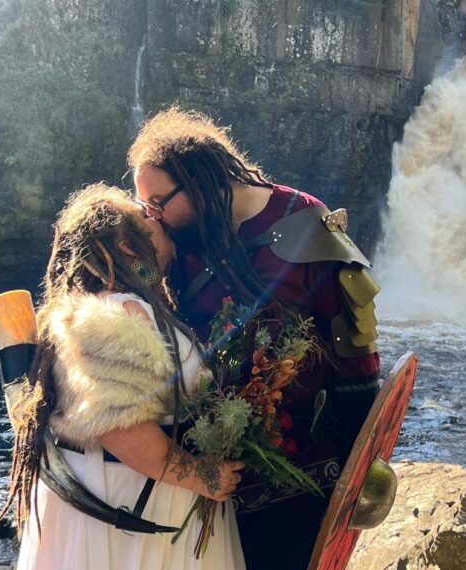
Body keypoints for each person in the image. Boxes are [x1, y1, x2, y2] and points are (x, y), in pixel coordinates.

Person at [127, 108, 381, 570]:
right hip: (208, 473)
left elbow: (355, 349)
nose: (154, 216)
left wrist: (361, 464)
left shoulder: (305, 222)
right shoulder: (181, 241)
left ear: (200, 181)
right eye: (147, 205)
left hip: (300, 470)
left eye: (159, 202)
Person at [0, 184, 246, 570]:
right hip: (132, 508)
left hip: (134, 499)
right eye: (146, 216)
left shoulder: (126, 307)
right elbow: (122, 430)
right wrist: (202, 476)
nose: (157, 216)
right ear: (130, 247)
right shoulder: (120, 314)